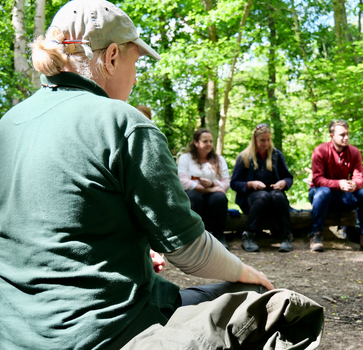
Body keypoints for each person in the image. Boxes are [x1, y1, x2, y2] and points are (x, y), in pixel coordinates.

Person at [0, 1, 324, 349]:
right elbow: (188, 252)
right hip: (107, 332)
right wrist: (248, 273)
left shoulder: (9, 123)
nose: (136, 76)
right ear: (111, 57)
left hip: (14, 332)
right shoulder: (123, 124)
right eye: (135, 62)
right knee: (277, 305)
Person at [309, 119, 363, 254]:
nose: (346, 137)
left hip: (343, 194)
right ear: (332, 136)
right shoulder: (320, 151)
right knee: (323, 192)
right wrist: (338, 183)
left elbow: (359, 177)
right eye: (342, 135)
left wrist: (354, 184)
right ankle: (315, 236)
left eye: (347, 134)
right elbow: (317, 179)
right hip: (320, 194)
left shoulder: (354, 152)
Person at [230, 124, 294, 253]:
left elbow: (288, 177)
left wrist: (283, 183)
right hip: (252, 199)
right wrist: (250, 184)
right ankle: (248, 235)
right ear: (255, 140)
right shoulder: (244, 157)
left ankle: (286, 236)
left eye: (268, 140)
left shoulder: (276, 155)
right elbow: (234, 183)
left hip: (274, 197)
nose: (266, 143)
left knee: (277, 196)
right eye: (262, 140)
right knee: (263, 196)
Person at [178, 128, 230, 249]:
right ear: (196, 142)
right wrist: (207, 189)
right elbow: (182, 181)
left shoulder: (219, 159)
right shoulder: (185, 158)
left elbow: (226, 182)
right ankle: (195, 237)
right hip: (193, 194)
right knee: (193, 197)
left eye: (211, 141)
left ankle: (219, 235)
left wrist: (212, 184)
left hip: (213, 195)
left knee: (220, 198)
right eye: (205, 141)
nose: (209, 144)